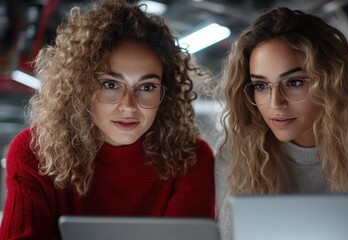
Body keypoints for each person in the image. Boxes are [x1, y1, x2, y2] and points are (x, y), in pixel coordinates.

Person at [0, 0, 215, 238]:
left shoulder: (190, 158)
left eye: (146, 87)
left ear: (166, 93)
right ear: (81, 87)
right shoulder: (34, 151)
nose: (129, 106)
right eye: (111, 84)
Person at [214, 7, 348, 240]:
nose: (276, 103)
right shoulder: (237, 153)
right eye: (261, 86)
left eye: (294, 82)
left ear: (330, 82)